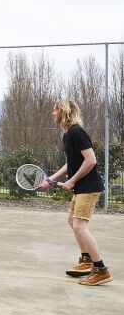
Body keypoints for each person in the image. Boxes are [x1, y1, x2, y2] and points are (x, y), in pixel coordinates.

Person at [40, 99, 111, 286]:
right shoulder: (68, 135)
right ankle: (86, 260)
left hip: (89, 187)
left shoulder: (76, 132)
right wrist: (51, 179)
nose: (52, 114)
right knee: (72, 221)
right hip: (81, 188)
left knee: (79, 226)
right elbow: (71, 163)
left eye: (55, 110)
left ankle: (101, 270)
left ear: (63, 111)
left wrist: (72, 180)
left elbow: (91, 160)